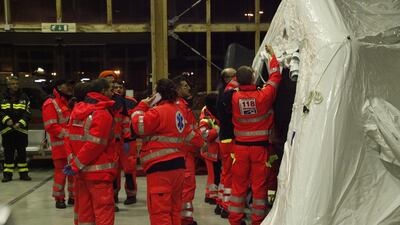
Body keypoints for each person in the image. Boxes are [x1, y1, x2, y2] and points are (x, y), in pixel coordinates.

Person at [226, 45, 282, 225]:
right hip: (259, 149)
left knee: (238, 186)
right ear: (253, 78)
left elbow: (229, 87)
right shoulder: (264, 96)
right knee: (259, 187)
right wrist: (273, 56)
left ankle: (235, 219)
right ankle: (258, 220)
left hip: (240, 149)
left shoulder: (233, 97)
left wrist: (239, 78)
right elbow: (275, 76)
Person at [130, 78, 186, 225]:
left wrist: (140, 107)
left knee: (160, 212)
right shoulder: (179, 111)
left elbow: (138, 127)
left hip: (160, 167)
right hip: (179, 165)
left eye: (154, 91)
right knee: (175, 209)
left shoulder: (157, 112)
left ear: (159, 94)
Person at [64, 78, 117, 225]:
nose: (113, 92)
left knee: (84, 212)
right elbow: (95, 145)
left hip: (80, 173)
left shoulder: (77, 110)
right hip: (99, 173)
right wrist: (76, 165)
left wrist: (74, 164)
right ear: (102, 92)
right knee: (103, 211)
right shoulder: (102, 113)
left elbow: (68, 138)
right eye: (110, 89)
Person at [173, 76, 205, 225]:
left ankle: (184, 218)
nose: (188, 88)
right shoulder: (180, 107)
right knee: (187, 187)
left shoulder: (182, 106)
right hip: (185, 153)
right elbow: (187, 131)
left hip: (186, 152)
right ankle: (184, 219)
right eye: (185, 86)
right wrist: (201, 143)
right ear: (178, 89)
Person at [42, 78, 75, 208]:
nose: (69, 87)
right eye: (67, 85)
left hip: (73, 147)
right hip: (60, 147)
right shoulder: (50, 103)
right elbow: (51, 126)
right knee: (61, 174)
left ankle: (73, 197)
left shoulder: (71, 102)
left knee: (74, 173)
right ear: (59, 87)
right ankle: (59, 198)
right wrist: (69, 135)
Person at [216, 68, 237, 218]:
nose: (236, 78)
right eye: (233, 76)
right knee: (230, 173)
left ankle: (220, 202)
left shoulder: (222, 94)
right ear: (226, 79)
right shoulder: (228, 95)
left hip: (224, 137)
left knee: (225, 172)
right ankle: (226, 207)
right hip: (230, 138)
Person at [0, 76, 31, 182]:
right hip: (7, 130)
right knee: (8, 153)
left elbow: (27, 113)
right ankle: (7, 175)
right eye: (13, 84)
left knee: (22, 153)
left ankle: (24, 174)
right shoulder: (2, 97)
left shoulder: (25, 97)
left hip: (21, 130)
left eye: (17, 83)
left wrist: (20, 123)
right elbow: (0, 112)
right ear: (8, 85)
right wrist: (6, 119)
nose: (15, 85)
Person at [112, 80, 138, 205]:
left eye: (120, 87)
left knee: (129, 170)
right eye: (115, 87)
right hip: (115, 142)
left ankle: (131, 195)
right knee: (114, 171)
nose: (118, 89)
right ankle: (114, 195)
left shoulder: (132, 102)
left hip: (129, 142)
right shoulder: (111, 102)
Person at [199, 93, 221, 205]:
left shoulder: (216, 111)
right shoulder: (206, 116)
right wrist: (217, 130)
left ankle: (214, 195)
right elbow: (204, 134)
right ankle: (211, 196)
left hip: (219, 151)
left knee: (217, 176)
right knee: (213, 176)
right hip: (210, 151)